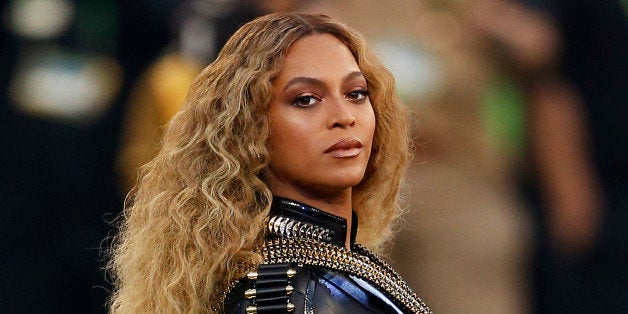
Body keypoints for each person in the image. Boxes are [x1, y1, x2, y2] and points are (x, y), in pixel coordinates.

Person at [108, 13, 431, 313]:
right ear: (249, 128)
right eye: (305, 100)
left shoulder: (325, 267)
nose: (344, 117)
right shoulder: (288, 294)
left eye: (356, 93)